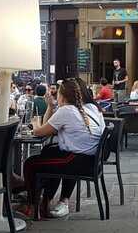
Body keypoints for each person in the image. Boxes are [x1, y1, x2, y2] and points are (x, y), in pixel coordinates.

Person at [20, 78, 105, 219]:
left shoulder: (67, 111)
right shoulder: (89, 108)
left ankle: (32, 206)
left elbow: (39, 132)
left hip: (77, 160)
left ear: (63, 95)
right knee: (49, 152)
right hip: (91, 159)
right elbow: (48, 128)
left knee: (30, 164)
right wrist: (50, 107)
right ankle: (44, 201)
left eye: (58, 92)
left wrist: (35, 123)